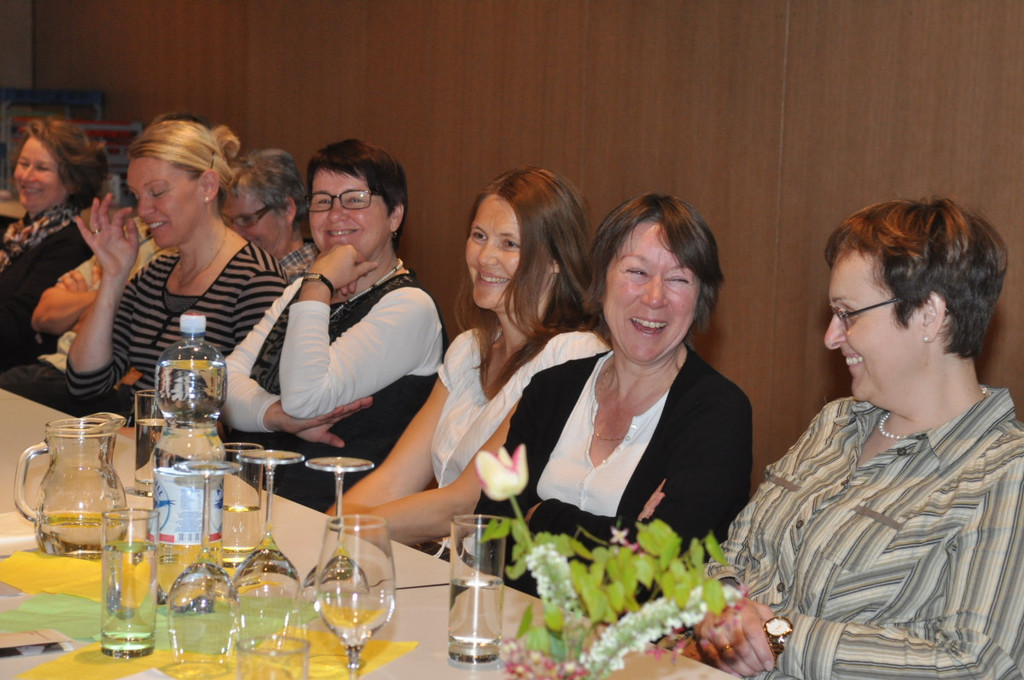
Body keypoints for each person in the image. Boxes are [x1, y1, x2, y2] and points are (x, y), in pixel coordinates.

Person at [693, 198, 1024, 679]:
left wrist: (777, 637)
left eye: (848, 314)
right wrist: (721, 604)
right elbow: (737, 554)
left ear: (929, 315)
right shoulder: (834, 424)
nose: (831, 336)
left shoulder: (1005, 473)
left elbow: (974, 663)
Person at [343, 167, 608, 542]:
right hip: (446, 562)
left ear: (556, 260)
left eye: (509, 244)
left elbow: (465, 503)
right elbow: (392, 480)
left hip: (508, 570)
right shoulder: (468, 349)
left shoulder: (573, 355)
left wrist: (342, 533)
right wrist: (322, 530)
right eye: (479, 236)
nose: (485, 257)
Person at [477, 193, 752, 554]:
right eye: (637, 272)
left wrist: (542, 516)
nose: (655, 297)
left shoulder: (718, 413)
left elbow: (658, 561)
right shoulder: (550, 390)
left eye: (678, 279)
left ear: (701, 297)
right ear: (601, 279)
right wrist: (625, 535)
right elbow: (491, 532)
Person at [222, 139, 446, 511]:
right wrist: (275, 416)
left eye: (355, 199)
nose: (335, 214)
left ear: (395, 215)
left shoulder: (410, 306)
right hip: (252, 500)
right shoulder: (300, 291)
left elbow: (305, 400)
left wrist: (318, 283)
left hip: (335, 517)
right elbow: (223, 385)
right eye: (323, 201)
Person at [65, 119, 288, 407]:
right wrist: (113, 276)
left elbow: (255, 407)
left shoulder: (256, 281)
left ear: (208, 186)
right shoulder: (154, 275)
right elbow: (85, 383)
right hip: (142, 431)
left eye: (157, 192)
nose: (143, 210)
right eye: (136, 196)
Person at [0, 219, 160, 415]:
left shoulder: (165, 258)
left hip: (93, 388)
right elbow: (42, 315)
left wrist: (97, 299)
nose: (144, 209)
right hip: (46, 365)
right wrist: (106, 296)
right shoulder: (130, 232)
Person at [0, 118, 106, 371]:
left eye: (42, 168)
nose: (26, 176)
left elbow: (17, 324)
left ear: (72, 182)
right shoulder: (13, 235)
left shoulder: (70, 245)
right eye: (23, 164)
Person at [223, 148, 318, 281]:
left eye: (247, 219)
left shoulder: (309, 278)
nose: (235, 233)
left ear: (287, 210)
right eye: (229, 221)